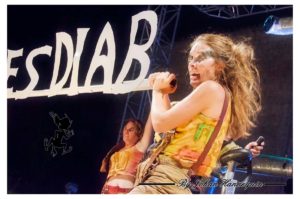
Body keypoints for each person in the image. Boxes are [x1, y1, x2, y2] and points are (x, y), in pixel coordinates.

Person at [129, 33, 262, 194]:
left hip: (164, 182)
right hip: (172, 182)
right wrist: (164, 93)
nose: (192, 64)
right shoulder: (217, 95)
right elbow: (166, 130)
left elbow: (160, 123)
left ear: (220, 64)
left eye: (200, 58)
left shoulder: (211, 89)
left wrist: (156, 91)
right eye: (191, 58)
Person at [99, 115, 153, 194]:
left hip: (126, 191)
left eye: (131, 130)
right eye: (125, 129)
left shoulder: (140, 147)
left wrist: (154, 106)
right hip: (107, 191)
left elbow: (149, 125)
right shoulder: (115, 150)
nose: (126, 132)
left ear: (139, 134)